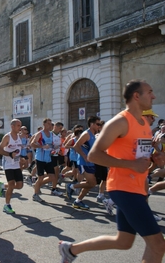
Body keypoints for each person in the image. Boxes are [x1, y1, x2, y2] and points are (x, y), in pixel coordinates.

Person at [59, 79, 165, 262]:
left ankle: (71, 249)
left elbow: (138, 156)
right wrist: (132, 165)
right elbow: (94, 155)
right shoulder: (120, 122)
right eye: (150, 92)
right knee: (158, 245)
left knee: (123, 241)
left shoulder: (145, 126)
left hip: (138, 188)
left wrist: (155, 158)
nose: (154, 95)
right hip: (124, 188)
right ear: (136, 96)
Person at [66, 116, 101, 210]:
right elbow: (76, 146)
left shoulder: (93, 135)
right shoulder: (86, 134)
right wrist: (85, 157)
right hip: (84, 163)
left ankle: (78, 201)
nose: (99, 126)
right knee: (92, 183)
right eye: (98, 124)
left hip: (91, 163)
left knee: (91, 183)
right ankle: (71, 186)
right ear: (92, 124)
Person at [0, 119, 26, 214]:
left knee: (19, 185)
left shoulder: (19, 137)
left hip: (16, 164)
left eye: (20, 125)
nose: (20, 128)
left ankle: (2, 185)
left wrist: (21, 159)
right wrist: (9, 154)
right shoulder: (7, 137)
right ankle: (7, 205)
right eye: (18, 125)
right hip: (8, 164)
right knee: (11, 185)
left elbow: (17, 151)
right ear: (12, 126)